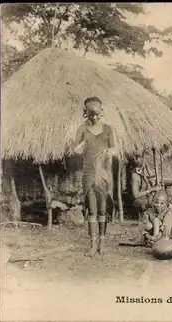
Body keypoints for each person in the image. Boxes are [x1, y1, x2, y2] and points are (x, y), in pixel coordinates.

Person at [71, 97, 116, 257]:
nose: (94, 118)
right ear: (86, 114)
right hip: (89, 173)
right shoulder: (82, 129)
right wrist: (84, 143)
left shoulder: (108, 129)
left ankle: (102, 244)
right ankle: (92, 244)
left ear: (101, 111)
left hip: (103, 174)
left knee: (103, 208)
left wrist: (109, 152)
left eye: (97, 114)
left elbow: (113, 148)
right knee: (92, 209)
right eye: (91, 115)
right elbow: (75, 149)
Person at [129, 154, 162, 221]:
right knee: (157, 203)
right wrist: (151, 190)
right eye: (143, 163)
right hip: (139, 200)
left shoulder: (140, 174)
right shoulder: (135, 176)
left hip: (146, 198)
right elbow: (136, 195)